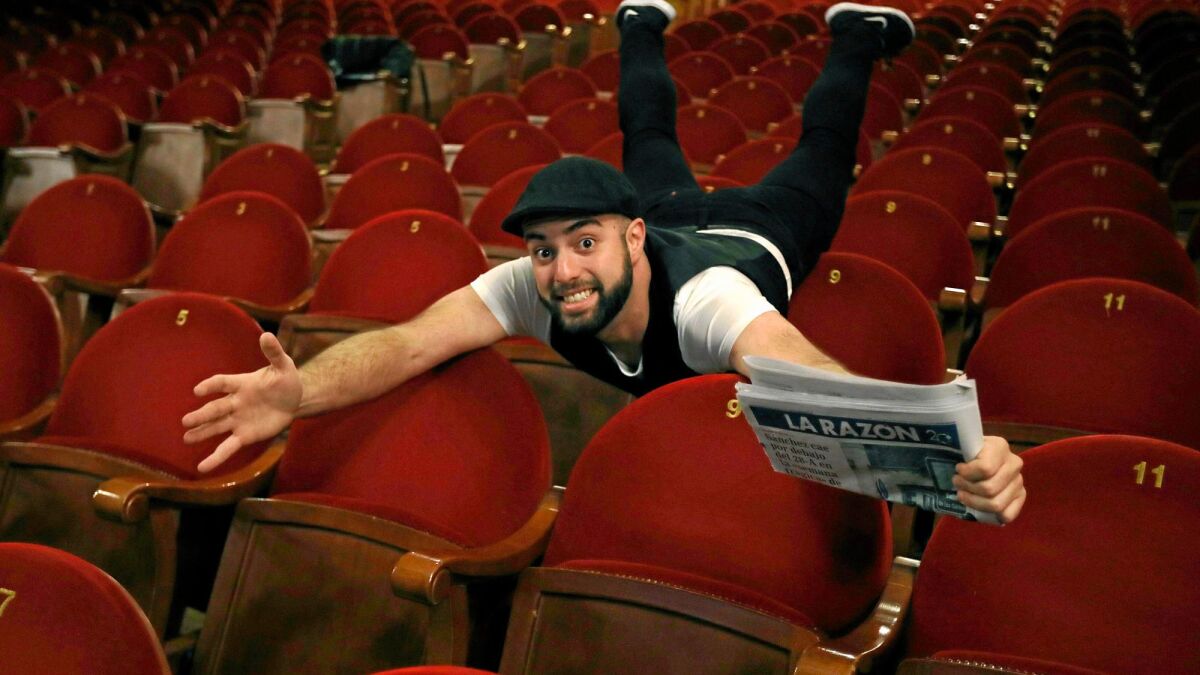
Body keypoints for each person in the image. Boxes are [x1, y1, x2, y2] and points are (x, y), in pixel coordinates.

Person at [183, 1, 1026, 523]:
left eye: (583, 241)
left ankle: (857, 32)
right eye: (544, 249)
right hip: (670, 211)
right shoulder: (541, 283)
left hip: (758, 231)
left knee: (826, 147)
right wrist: (299, 395)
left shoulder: (708, 301)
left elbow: (804, 372)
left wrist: (953, 457)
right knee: (647, 132)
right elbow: (408, 343)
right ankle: (640, 22)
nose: (562, 271)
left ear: (629, 239)